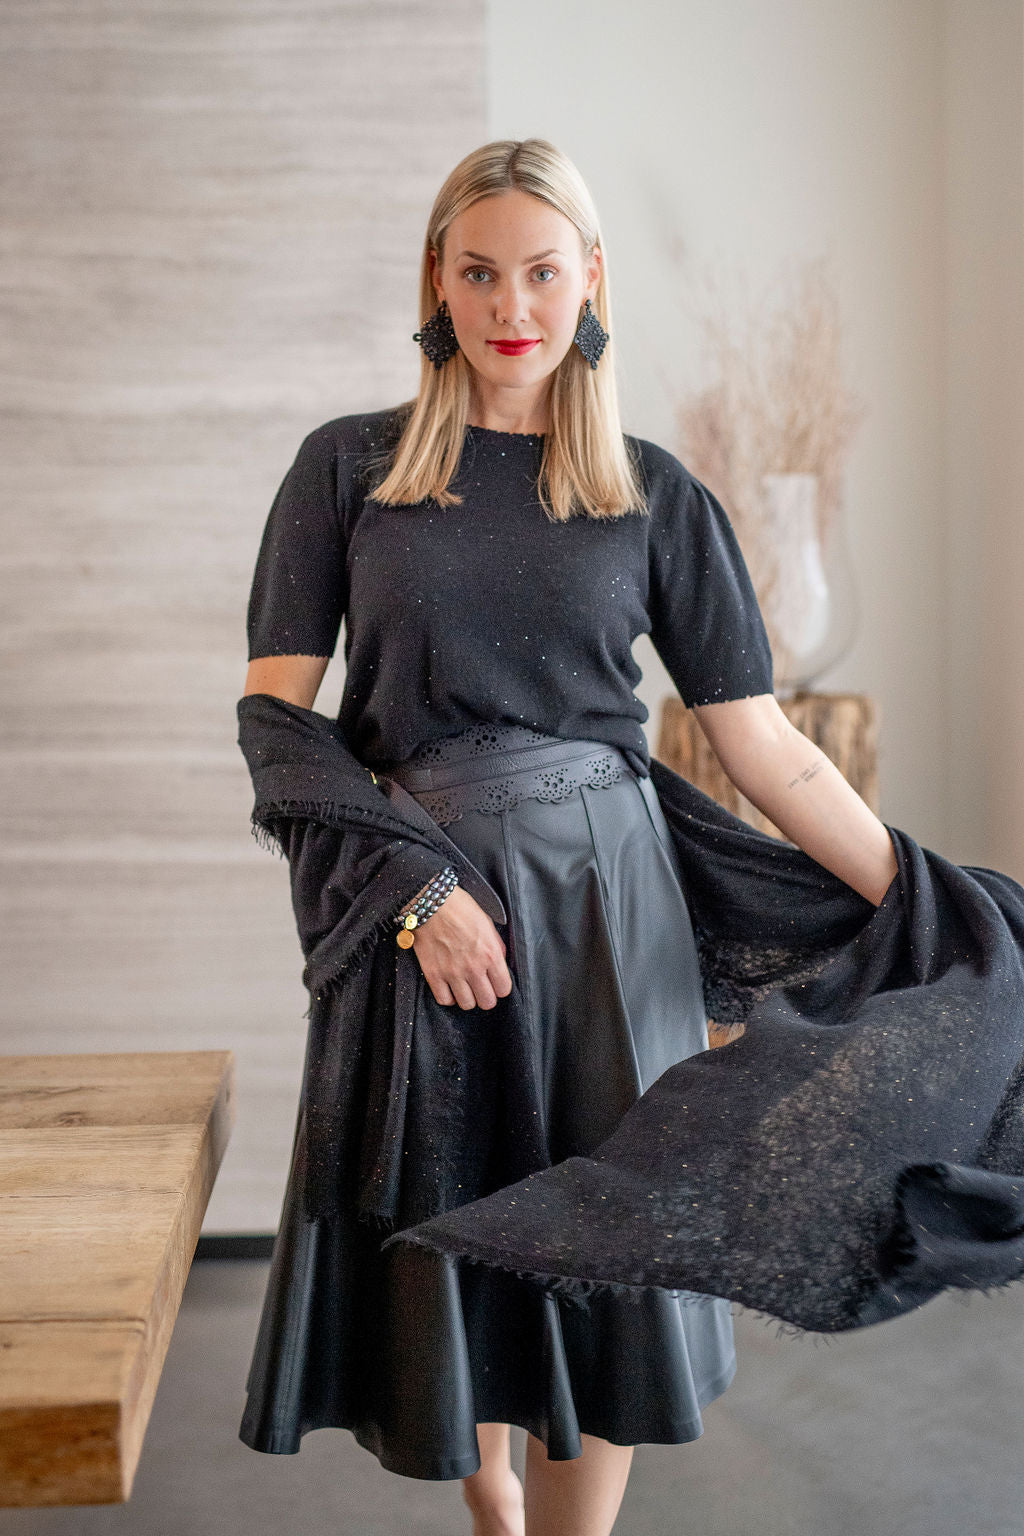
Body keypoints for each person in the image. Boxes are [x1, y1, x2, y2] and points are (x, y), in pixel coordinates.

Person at [240, 137, 898, 1536]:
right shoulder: (347, 469)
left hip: (612, 925)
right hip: (421, 919)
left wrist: (917, 894)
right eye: (480, 273)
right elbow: (278, 727)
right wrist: (414, 890)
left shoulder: (653, 494)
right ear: (437, 278)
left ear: (591, 278)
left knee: (606, 1260)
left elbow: (769, 750)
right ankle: (494, 1512)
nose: (511, 305)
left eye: (542, 272)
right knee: (449, 1250)